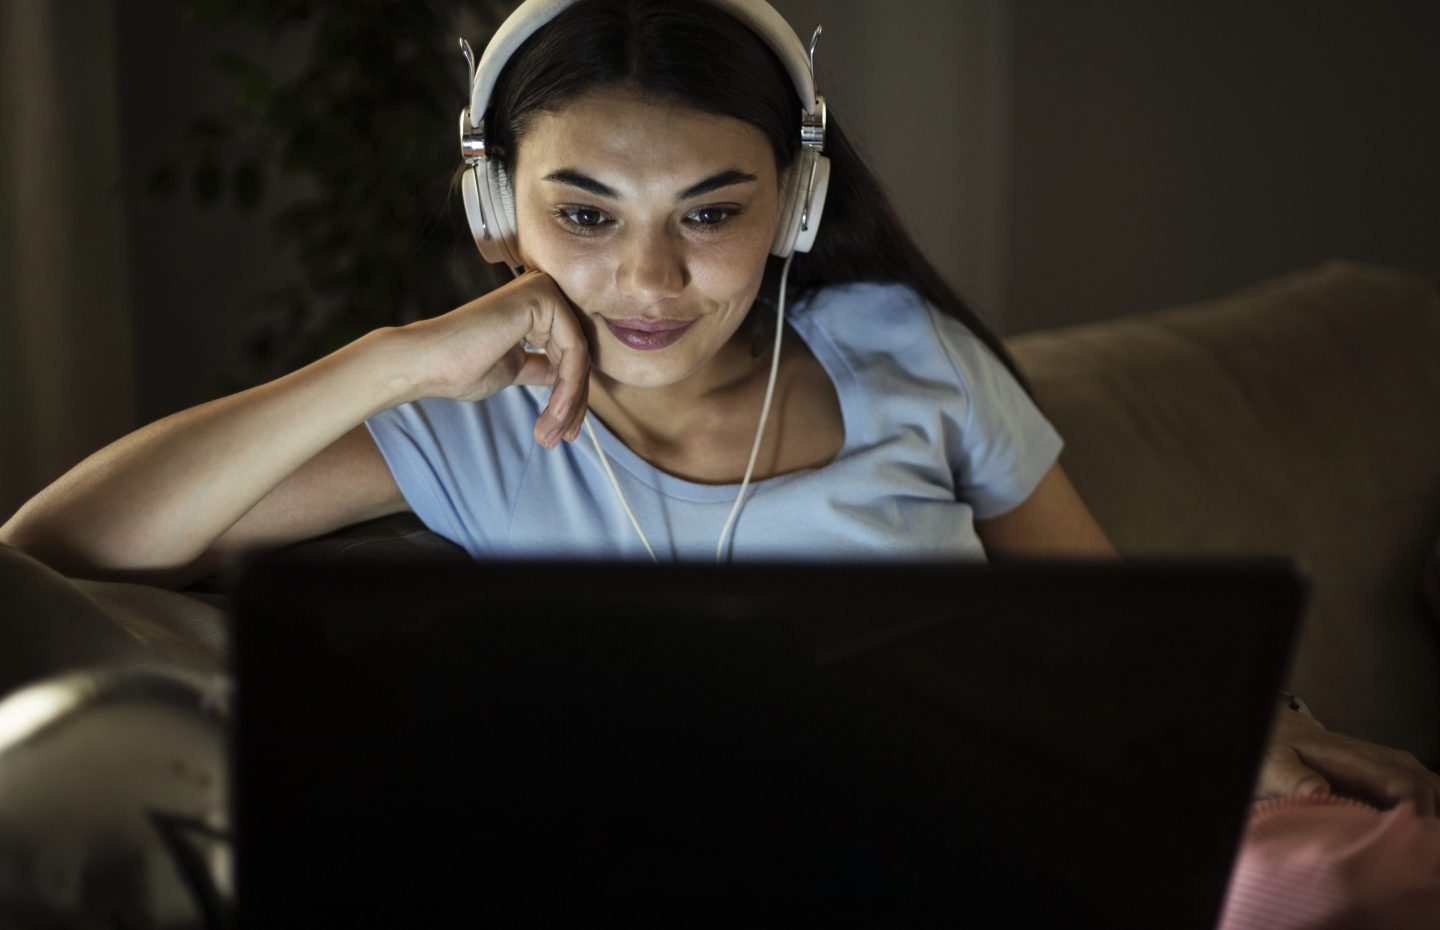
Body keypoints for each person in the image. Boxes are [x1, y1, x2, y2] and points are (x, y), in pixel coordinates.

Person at [3, 0, 1438, 922]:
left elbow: (1116, 634)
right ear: (494, 206)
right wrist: (389, 355)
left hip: (1018, 844)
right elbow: (58, 538)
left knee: (1324, 883)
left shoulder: (906, 356)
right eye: (583, 211)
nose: (649, 275)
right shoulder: (468, 424)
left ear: (796, 204)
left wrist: (1266, 723)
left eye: (710, 210)